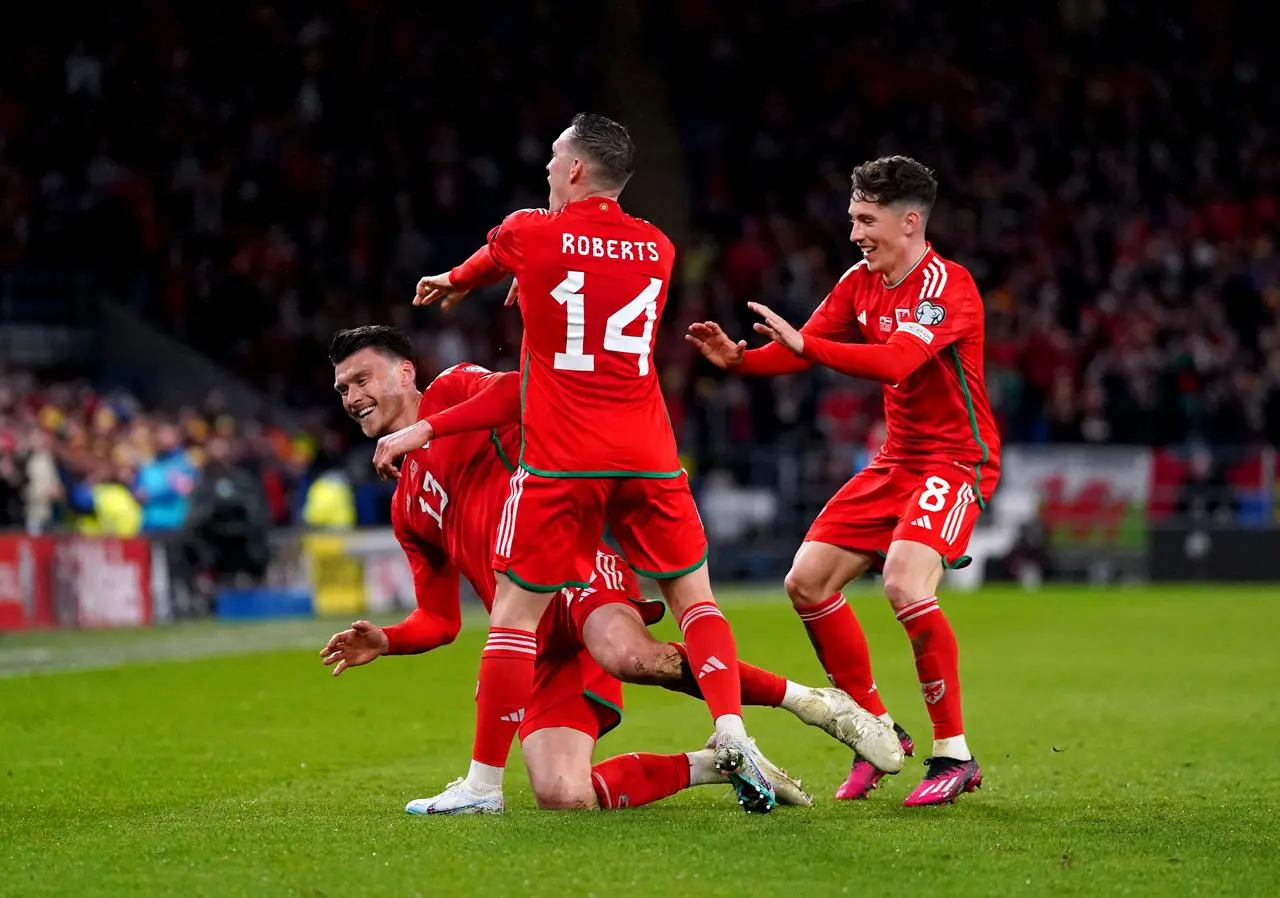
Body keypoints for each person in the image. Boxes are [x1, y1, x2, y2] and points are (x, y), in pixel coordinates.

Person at [323, 326, 903, 814]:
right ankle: (713, 765)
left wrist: (426, 428)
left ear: (405, 373)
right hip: (529, 640)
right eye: (343, 388)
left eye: (362, 378)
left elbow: (529, 391)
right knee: (564, 796)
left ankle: (813, 703)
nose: (352, 396)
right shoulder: (404, 505)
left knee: (630, 657)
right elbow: (440, 619)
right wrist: (388, 640)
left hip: (569, 568)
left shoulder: (452, 392)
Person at [411, 114, 776, 811]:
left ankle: (483, 785)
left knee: (516, 619)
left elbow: (500, 258)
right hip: (646, 451)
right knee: (695, 600)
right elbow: (591, 284)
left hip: (563, 458)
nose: (547, 170)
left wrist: (457, 279)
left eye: (554, 159)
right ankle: (731, 732)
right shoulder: (660, 248)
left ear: (575, 170)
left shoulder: (529, 232)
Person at [686, 155, 1002, 806]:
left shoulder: (949, 287)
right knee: (805, 582)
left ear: (909, 222)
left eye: (866, 218)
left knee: (904, 583)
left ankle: (954, 753)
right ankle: (877, 731)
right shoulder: (860, 282)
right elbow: (805, 344)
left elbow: (892, 361)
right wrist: (742, 361)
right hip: (896, 462)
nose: (854, 231)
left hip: (955, 460)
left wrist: (804, 347)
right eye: (851, 216)